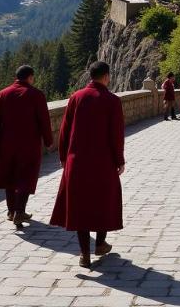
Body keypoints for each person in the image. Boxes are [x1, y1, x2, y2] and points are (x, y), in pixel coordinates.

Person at [50, 61, 125, 269]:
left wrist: (63, 156)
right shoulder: (112, 101)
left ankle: (84, 253)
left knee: (79, 206)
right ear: (106, 76)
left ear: (90, 76)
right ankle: (100, 243)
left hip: (77, 161)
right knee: (104, 201)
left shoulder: (76, 98)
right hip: (103, 162)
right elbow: (116, 135)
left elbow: (65, 130)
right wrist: (119, 160)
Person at [0, 64, 53, 229]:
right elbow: (44, 121)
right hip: (28, 145)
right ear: (30, 77)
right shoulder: (36, 95)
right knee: (26, 177)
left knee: (9, 177)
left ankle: (11, 211)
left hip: (6, 145)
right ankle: (19, 211)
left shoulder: (3, 94)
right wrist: (49, 141)